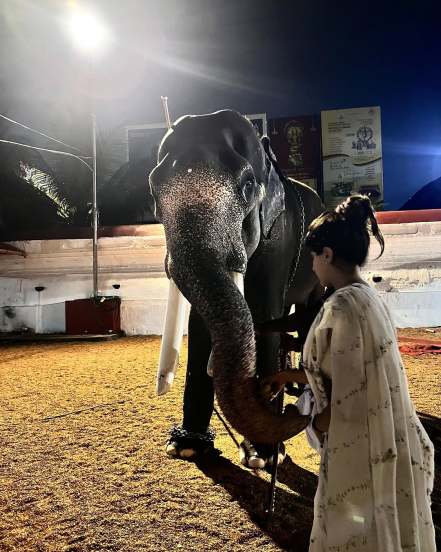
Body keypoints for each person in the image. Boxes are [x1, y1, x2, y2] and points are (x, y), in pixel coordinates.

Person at [262, 195, 436, 551]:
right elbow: (352, 368)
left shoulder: (340, 306)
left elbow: (342, 392)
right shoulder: (369, 298)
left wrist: (313, 424)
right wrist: (287, 379)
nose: (312, 266)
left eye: (313, 256)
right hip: (390, 438)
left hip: (358, 448)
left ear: (327, 254)